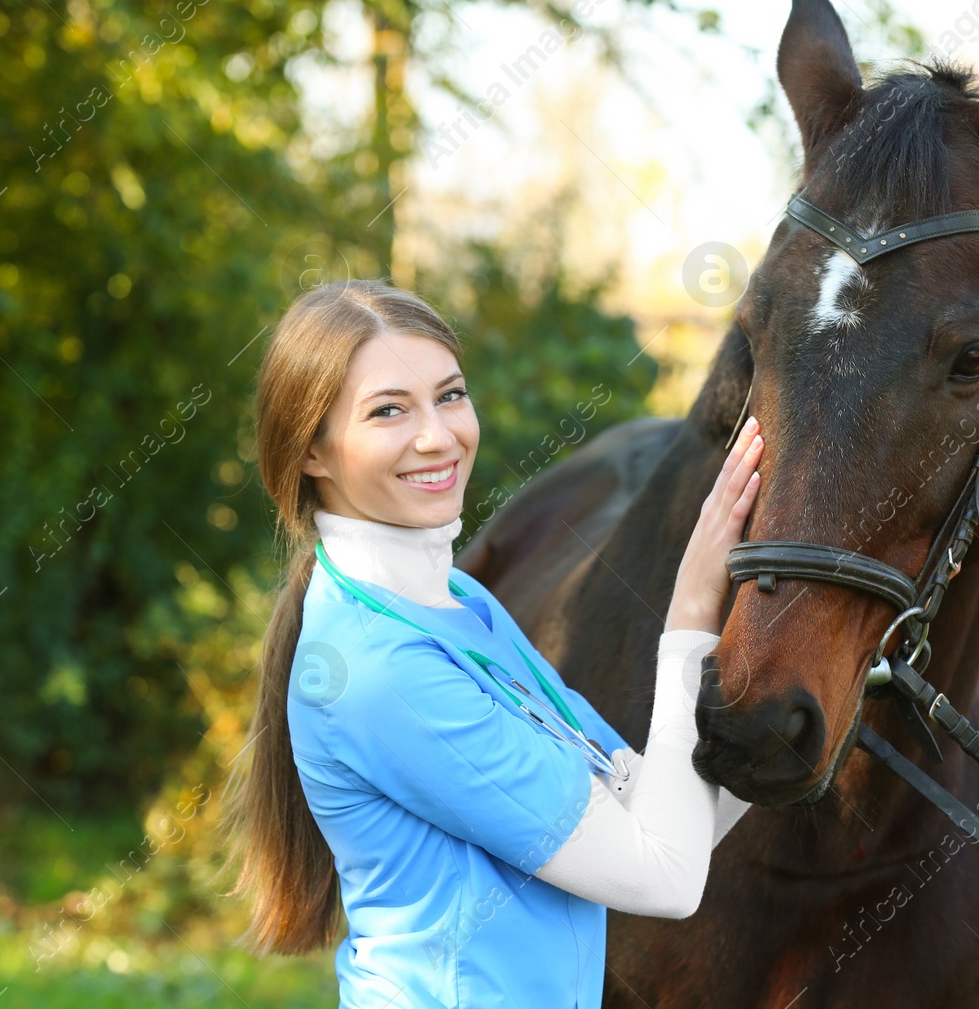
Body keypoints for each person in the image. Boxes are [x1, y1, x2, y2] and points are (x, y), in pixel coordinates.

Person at [222, 279, 762, 1008]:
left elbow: (651, 810)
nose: (438, 436)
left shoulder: (458, 600)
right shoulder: (381, 672)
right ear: (312, 449)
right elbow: (663, 877)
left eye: (449, 395)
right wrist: (693, 607)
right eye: (389, 410)